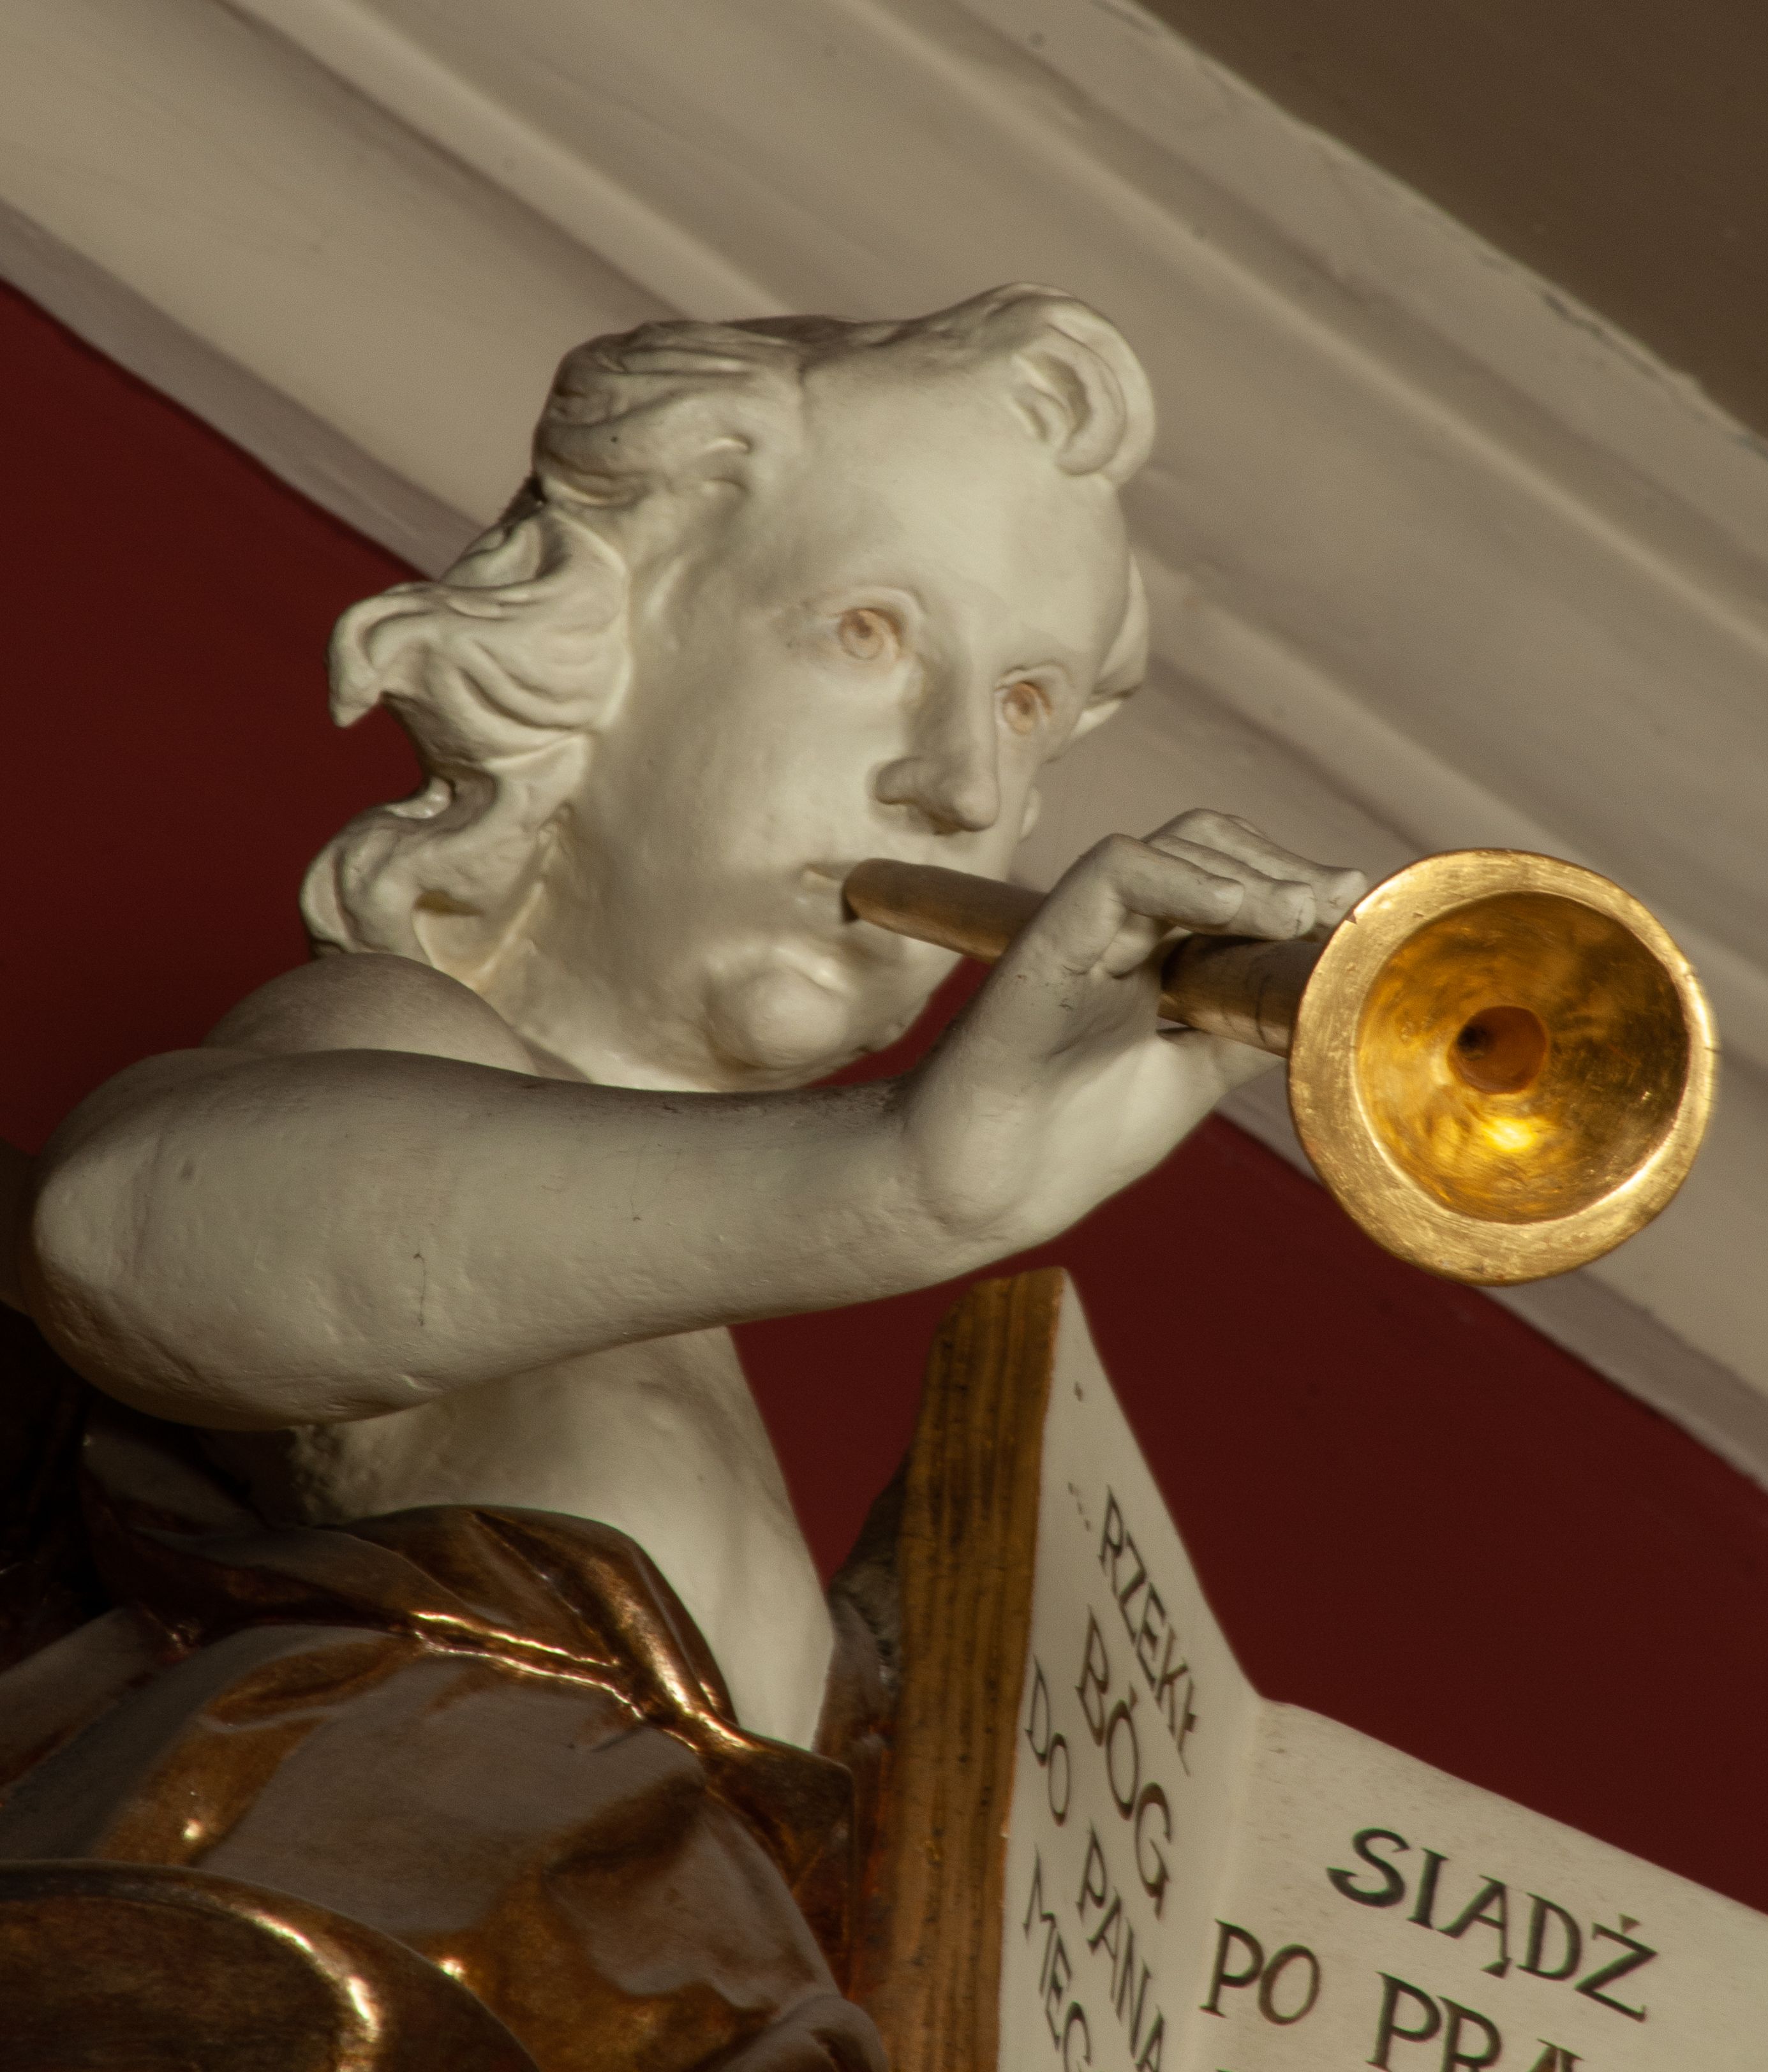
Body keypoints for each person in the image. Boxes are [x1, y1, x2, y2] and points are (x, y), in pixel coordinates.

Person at [4, 286, 1363, 2069]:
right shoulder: (401, 1037)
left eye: (1027, 702)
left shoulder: (694, 1371)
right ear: (604, 646)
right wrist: (898, 1188)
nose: (963, 785)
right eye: (869, 631)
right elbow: (126, 1235)